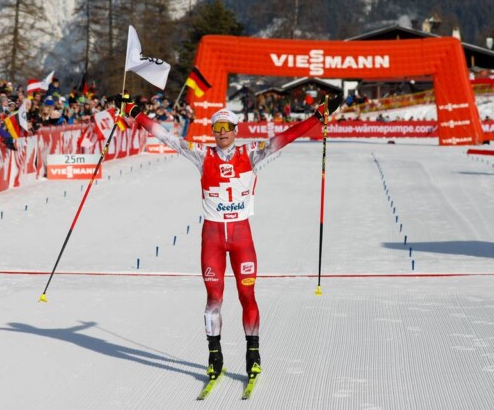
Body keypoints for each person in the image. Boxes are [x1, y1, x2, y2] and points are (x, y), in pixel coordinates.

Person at [121, 94, 338, 382]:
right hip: (212, 236)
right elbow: (166, 136)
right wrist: (135, 113)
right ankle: (214, 356)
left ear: (236, 130)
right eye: (217, 129)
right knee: (214, 297)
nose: (222, 133)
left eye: (227, 128)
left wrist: (317, 117)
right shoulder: (202, 155)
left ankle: (253, 354)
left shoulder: (251, 153)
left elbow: (285, 137)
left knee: (247, 294)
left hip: (241, 237)